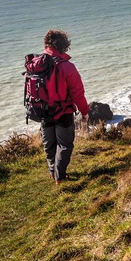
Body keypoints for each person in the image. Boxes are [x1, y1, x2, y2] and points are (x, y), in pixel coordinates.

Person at [40, 29, 89, 184]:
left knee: (49, 144)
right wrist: (85, 112)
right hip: (63, 111)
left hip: (43, 111)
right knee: (64, 144)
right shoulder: (67, 67)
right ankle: (59, 176)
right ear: (64, 46)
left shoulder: (36, 65)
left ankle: (52, 172)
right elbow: (77, 94)